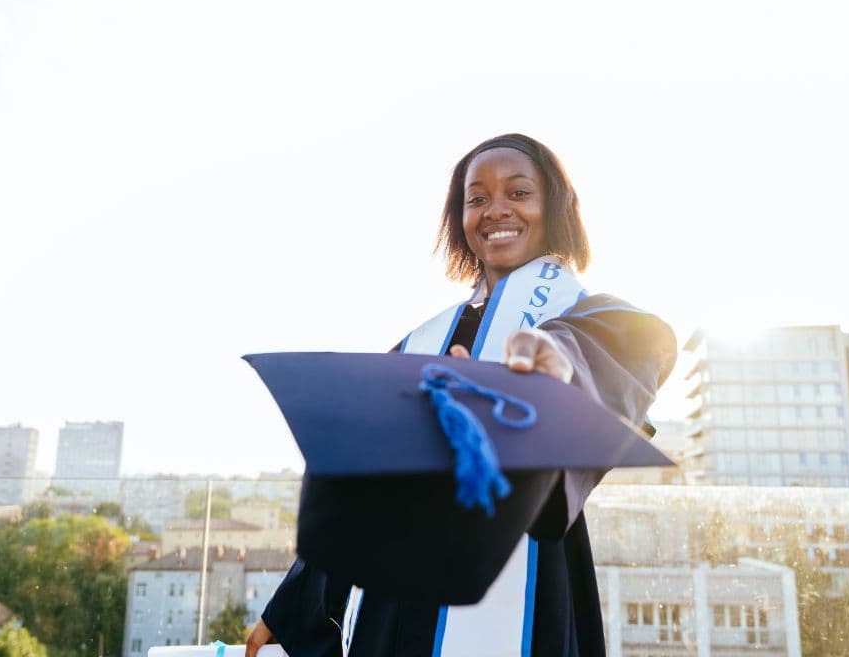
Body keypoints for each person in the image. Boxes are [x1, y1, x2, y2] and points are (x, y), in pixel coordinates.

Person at [245, 133, 677, 657]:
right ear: (461, 219)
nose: (496, 210)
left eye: (519, 193)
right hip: (399, 605)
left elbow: (607, 356)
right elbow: (362, 487)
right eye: (477, 198)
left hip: (527, 595)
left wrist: (554, 370)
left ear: (554, 208)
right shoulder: (420, 344)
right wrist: (293, 605)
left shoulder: (594, 319)